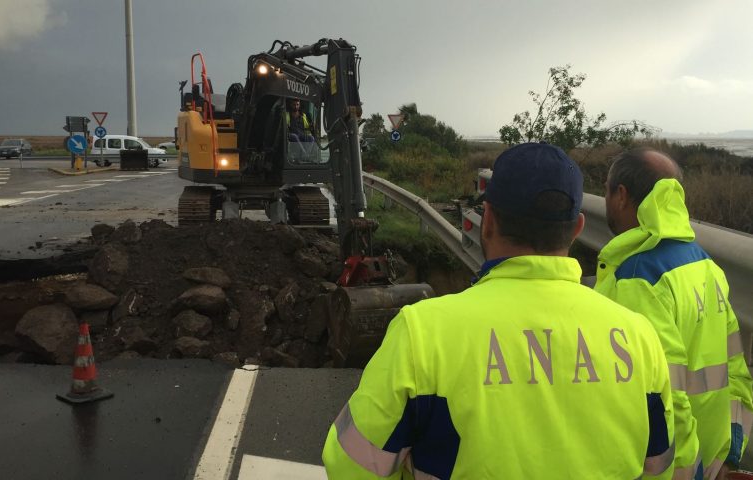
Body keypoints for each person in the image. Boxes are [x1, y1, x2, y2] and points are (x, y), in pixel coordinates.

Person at [322, 142, 675, 479]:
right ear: (578, 228)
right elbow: (659, 467)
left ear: (487, 220)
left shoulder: (423, 334)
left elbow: (351, 466)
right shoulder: (639, 337)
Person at [595, 147, 753, 480]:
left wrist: (690, 472)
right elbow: (736, 372)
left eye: (606, 191)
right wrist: (728, 454)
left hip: (675, 470)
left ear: (621, 196)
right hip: (712, 460)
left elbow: (664, 397)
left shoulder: (638, 278)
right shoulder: (706, 267)